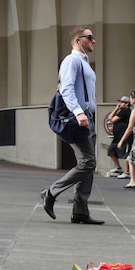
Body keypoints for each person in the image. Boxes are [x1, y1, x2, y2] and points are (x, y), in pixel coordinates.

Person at [39, 27, 103, 225]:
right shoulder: (72, 60)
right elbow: (66, 88)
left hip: (87, 119)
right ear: (78, 40)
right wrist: (78, 112)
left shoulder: (84, 63)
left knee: (88, 164)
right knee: (88, 163)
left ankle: (80, 211)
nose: (93, 41)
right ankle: (50, 193)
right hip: (78, 119)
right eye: (90, 37)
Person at [108, 96, 132, 178]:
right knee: (111, 151)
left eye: (122, 102)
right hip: (117, 137)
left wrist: (117, 110)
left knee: (126, 154)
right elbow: (109, 118)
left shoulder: (126, 111)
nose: (119, 104)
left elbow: (112, 120)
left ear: (127, 104)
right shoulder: (121, 110)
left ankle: (127, 172)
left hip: (124, 136)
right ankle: (118, 168)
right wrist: (116, 109)